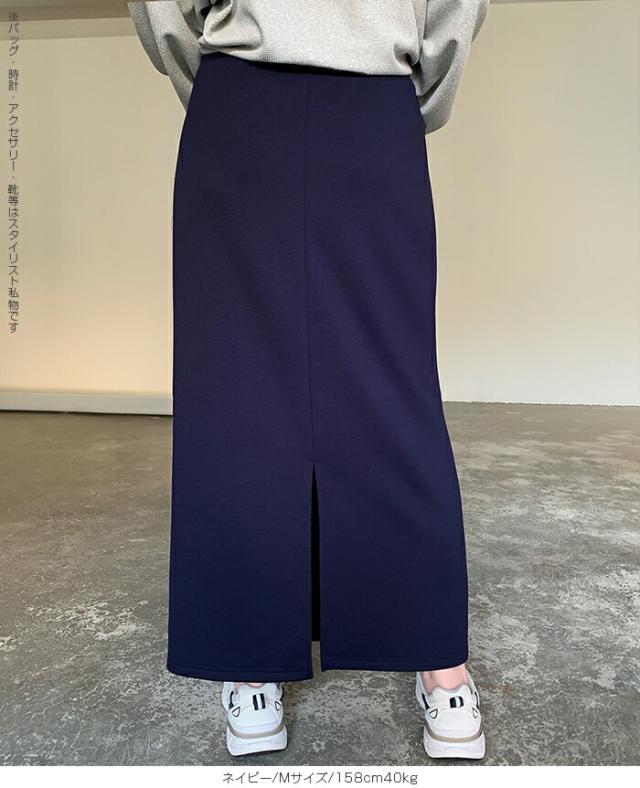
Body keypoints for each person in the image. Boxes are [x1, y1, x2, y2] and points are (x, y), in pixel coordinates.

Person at [128, 0, 490, 761]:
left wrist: (230, 73)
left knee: (367, 385)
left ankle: (419, 646)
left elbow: (167, 14)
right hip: (314, 97)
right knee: (249, 389)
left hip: (291, 97)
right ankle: (260, 650)